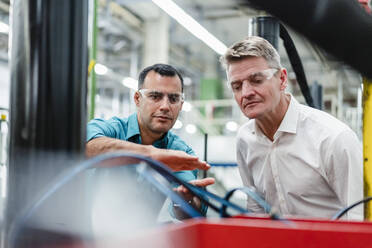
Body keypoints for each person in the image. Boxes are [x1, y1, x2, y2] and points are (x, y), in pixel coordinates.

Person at [220, 36, 363, 220]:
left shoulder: (333, 138)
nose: (246, 93)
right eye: (237, 86)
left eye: (256, 80)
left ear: (282, 79)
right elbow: (256, 211)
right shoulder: (245, 140)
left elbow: (358, 218)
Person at [86, 63, 214, 218]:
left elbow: (189, 208)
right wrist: (150, 154)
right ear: (137, 99)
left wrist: (185, 200)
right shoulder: (111, 129)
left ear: (181, 105)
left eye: (173, 98)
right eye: (155, 96)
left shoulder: (180, 151)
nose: (165, 106)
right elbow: (86, 147)